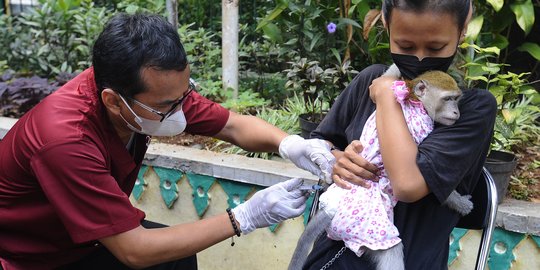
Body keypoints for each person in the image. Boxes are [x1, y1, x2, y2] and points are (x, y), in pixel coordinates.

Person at [0, 13, 334, 270]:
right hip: (32, 257)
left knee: (176, 259)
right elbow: (133, 249)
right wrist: (244, 217)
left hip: (81, 239)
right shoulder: (65, 140)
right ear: (113, 101)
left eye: (183, 95)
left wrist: (291, 145)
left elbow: (233, 125)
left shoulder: (153, 94)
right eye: (166, 105)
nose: (181, 108)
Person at [302, 0, 497, 269]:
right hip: (334, 258)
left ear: (464, 26)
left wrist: (387, 97)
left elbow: (407, 184)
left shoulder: (471, 108)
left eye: (435, 47)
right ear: (385, 22)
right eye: (405, 46)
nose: (418, 58)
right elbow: (318, 144)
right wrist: (335, 160)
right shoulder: (369, 81)